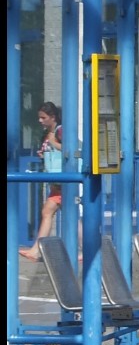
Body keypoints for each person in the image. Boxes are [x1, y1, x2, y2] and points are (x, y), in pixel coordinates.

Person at [19, 101, 64, 262]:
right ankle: (36, 250)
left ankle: (36, 250)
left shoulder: (59, 131)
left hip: (63, 181)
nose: (40, 121)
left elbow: (70, 149)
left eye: (43, 117)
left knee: (48, 212)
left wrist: (53, 143)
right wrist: (44, 154)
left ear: (53, 117)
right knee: (57, 214)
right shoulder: (49, 133)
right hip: (57, 183)